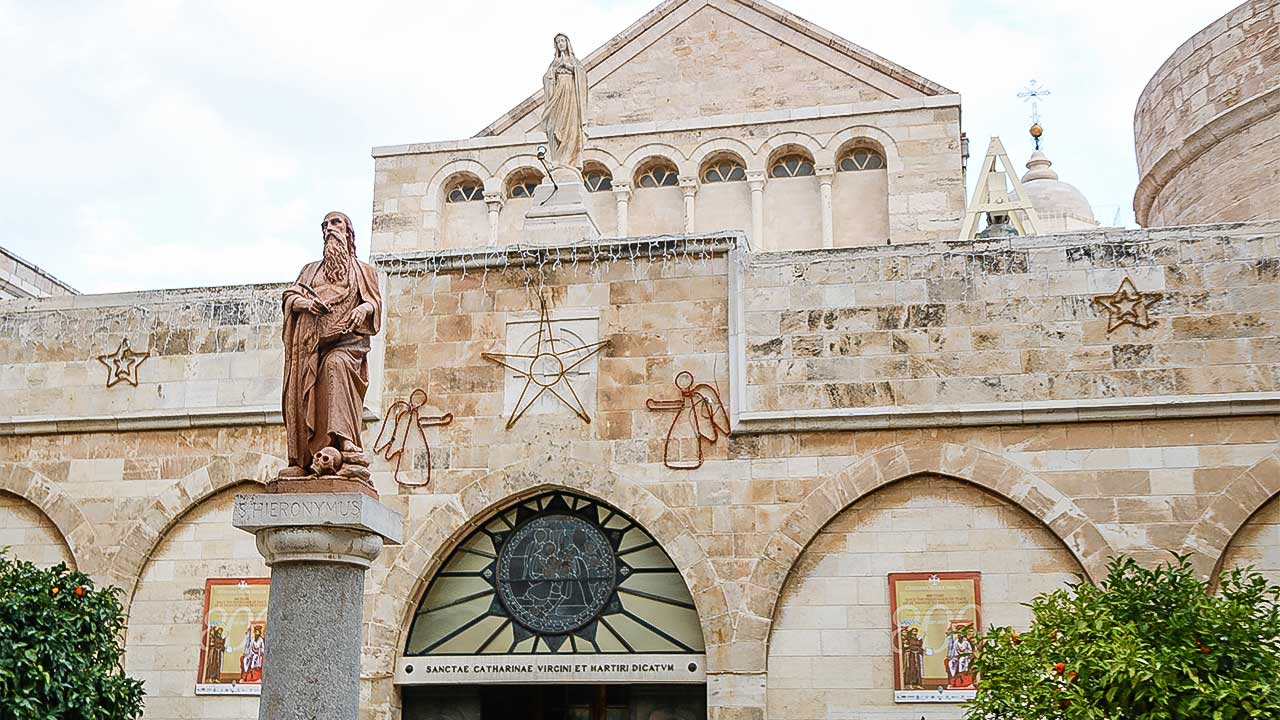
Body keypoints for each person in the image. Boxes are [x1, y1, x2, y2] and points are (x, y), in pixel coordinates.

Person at [279, 211, 383, 478]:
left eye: (335, 223)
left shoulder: (363, 271)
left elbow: (375, 303)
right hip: (311, 346)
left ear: (348, 232)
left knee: (335, 365)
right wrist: (308, 304)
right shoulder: (310, 270)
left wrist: (365, 309)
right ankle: (303, 460)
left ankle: (346, 444)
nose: (328, 229)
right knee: (306, 384)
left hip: (349, 345)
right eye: (324, 225)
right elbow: (291, 297)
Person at [541, 33, 588, 169]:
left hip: (571, 94)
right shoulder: (554, 63)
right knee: (554, 125)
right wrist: (554, 71)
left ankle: (568, 158)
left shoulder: (574, 61)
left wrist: (568, 67)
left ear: (567, 43)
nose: (561, 43)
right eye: (558, 42)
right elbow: (547, 78)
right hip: (558, 94)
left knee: (571, 126)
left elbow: (582, 76)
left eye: (562, 41)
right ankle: (557, 157)